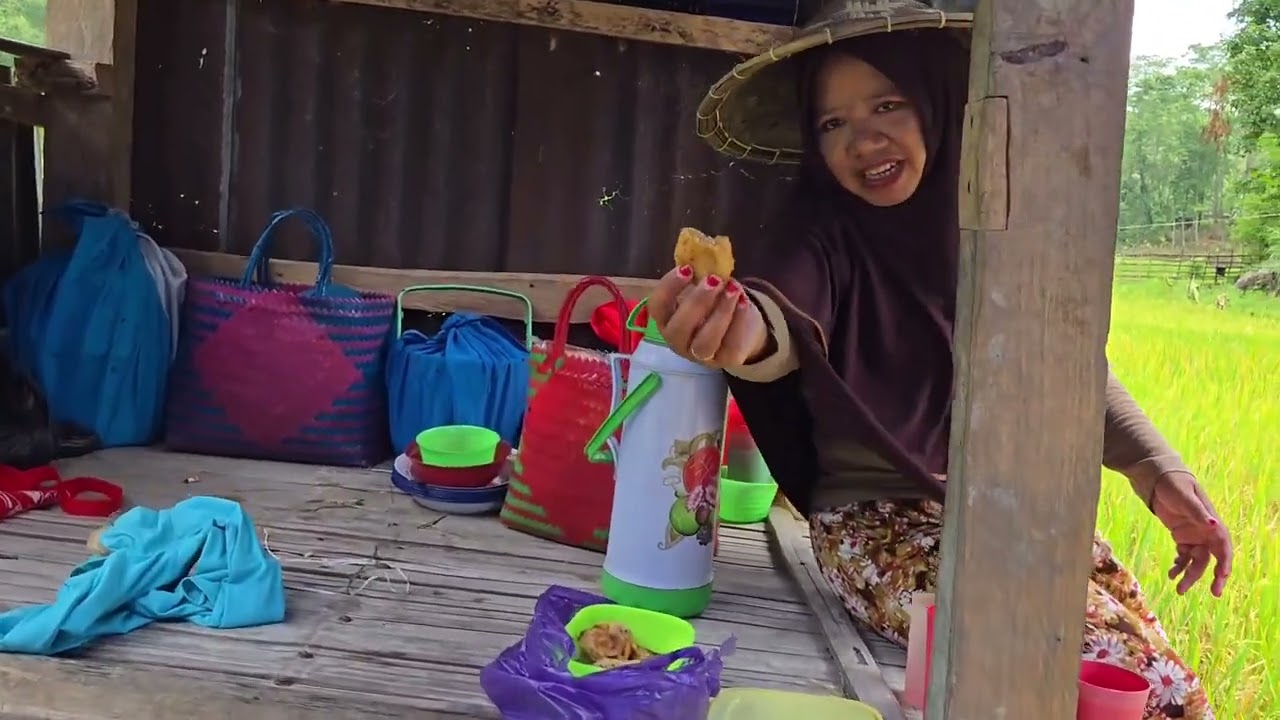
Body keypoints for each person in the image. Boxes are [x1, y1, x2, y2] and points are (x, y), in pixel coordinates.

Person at [649, 2, 1232, 718]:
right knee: (1159, 688)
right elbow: (776, 318)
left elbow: (1063, 365)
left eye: (887, 105)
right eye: (832, 123)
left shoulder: (996, 232)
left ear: (936, 106)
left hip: (1004, 508)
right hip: (882, 528)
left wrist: (1158, 471)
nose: (864, 140)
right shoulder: (816, 233)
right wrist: (732, 329)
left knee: (1145, 672)